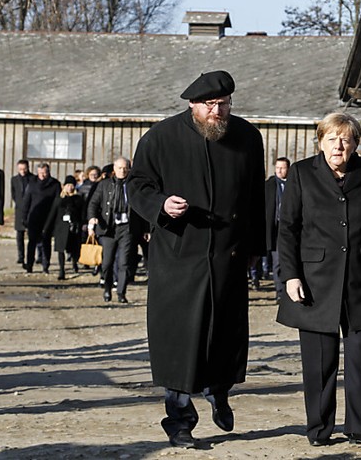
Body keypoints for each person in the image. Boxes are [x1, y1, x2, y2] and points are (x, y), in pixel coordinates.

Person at [128, 70, 266, 449]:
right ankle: (179, 420)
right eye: (211, 106)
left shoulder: (248, 138)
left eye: (224, 104)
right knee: (179, 341)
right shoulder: (161, 138)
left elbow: (257, 197)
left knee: (224, 335)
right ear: (193, 105)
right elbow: (137, 185)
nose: (218, 112)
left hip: (228, 255)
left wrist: (256, 247)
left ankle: (219, 392)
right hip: (178, 256)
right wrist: (160, 204)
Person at [276, 113, 361, 448]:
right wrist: (290, 276)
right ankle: (319, 428)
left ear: (356, 144)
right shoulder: (302, 173)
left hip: (359, 279)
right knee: (320, 360)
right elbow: (287, 229)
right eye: (332, 139)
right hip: (315, 280)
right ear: (320, 142)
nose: (339, 146)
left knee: (360, 356)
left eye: (345, 139)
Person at [87, 157, 148, 303]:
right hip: (108, 228)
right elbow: (93, 203)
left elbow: (143, 208)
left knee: (124, 262)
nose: (123, 171)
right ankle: (107, 289)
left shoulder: (134, 185)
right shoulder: (104, 185)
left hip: (127, 228)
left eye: (125, 168)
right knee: (107, 262)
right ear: (114, 169)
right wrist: (92, 218)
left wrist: (146, 229)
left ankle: (121, 292)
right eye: (120, 168)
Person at [44, 175, 85, 281]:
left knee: (74, 249)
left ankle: (74, 263)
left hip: (74, 228)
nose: (70, 188)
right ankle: (61, 270)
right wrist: (46, 228)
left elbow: (82, 214)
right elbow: (52, 214)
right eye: (68, 185)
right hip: (61, 228)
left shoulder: (78, 199)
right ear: (64, 186)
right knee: (60, 249)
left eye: (71, 185)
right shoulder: (59, 199)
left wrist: (83, 224)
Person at [22, 163, 61, 273]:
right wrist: (24, 217)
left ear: (48, 172)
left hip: (48, 218)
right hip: (33, 217)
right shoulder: (32, 183)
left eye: (44, 173)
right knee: (32, 242)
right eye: (40, 173)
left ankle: (45, 265)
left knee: (46, 242)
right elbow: (26, 201)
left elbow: (57, 202)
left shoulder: (55, 184)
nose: (42, 175)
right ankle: (29, 265)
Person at [264, 156, 289, 302]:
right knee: (277, 261)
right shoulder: (269, 185)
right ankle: (280, 292)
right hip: (275, 228)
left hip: (289, 227)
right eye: (277, 167)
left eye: (282, 167)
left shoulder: (293, 184)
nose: (279, 170)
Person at [11, 160, 36, 265]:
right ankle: (21, 256)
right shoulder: (14, 179)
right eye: (20, 169)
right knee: (19, 234)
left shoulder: (33, 179)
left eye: (24, 168)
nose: (23, 171)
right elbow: (13, 194)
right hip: (20, 209)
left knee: (33, 235)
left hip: (32, 209)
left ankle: (35, 256)